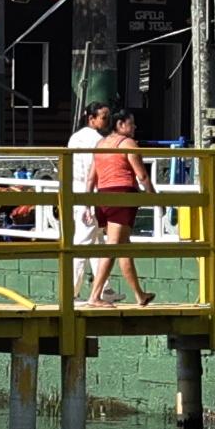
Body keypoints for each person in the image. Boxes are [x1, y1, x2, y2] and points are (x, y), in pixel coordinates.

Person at [69, 103, 155, 308]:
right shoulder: (127, 144)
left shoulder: (100, 144)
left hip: (103, 198)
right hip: (121, 197)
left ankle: (139, 294)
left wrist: (88, 203)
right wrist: (153, 196)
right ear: (121, 124)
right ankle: (95, 296)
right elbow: (141, 174)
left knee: (123, 247)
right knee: (112, 247)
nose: (134, 128)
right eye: (131, 124)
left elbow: (91, 178)